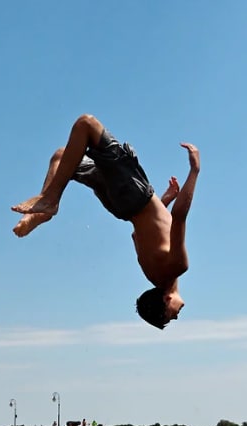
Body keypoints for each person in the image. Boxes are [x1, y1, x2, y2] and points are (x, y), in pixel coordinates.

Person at [11, 114, 200, 329]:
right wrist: (164, 200)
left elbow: (180, 217)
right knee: (63, 157)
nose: (176, 317)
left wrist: (194, 171)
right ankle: (44, 208)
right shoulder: (152, 273)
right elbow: (142, 233)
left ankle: (50, 201)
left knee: (86, 125)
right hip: (121, 207)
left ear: (166, 301)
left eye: (168, 317)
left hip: (134, 195)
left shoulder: (177, 266)